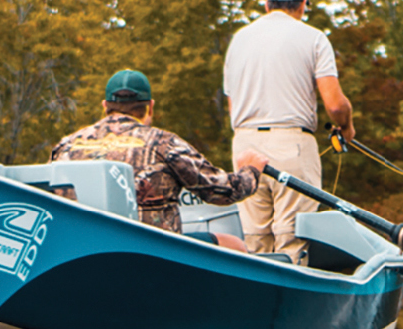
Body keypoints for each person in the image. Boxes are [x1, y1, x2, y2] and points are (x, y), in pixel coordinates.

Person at [51, 69, 268, 250]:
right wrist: (250, 171)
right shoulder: (163, 143)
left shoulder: (66, 147)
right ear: (150, 106)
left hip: (84, 251)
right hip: (155, 253)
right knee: (234, 245)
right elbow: (223, 191)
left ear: (105, 106)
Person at [223, 0, 356, 262]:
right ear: (303, 5)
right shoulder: (314, 38)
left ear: (267, 6)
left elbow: (233, 107)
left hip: (244, 145)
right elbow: (335, 105)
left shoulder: (239, 40)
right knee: (293, 240)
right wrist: (347, 125)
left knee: (254, 243)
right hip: (292, 144)